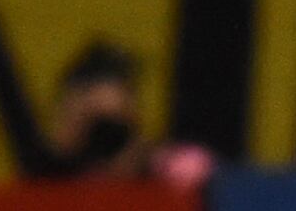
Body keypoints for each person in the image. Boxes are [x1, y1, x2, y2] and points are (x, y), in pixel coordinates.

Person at [41, 40, 214, 188]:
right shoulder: (41, 183)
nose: (100, 146)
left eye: (110, 132)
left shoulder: (178, 171)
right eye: (92, 131)